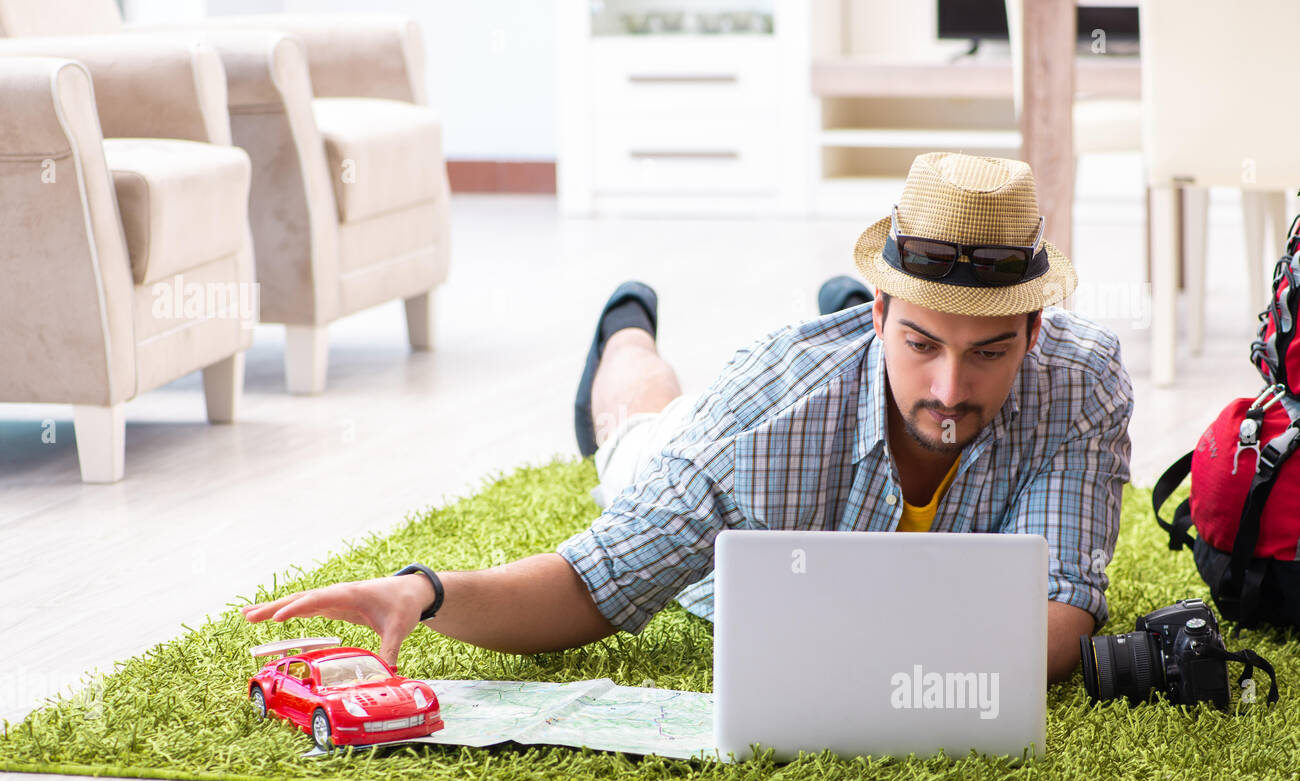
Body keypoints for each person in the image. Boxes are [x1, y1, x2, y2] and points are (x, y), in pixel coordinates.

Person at [242, 152, 1133, 686]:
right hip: (737, 441)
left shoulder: (1080, 385)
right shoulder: (763, 416)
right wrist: (425, 590)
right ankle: (623, 331)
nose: (947, 387)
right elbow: (592, 581)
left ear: (1034, 332)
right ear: (878, 316)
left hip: (838, 395)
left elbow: (1060, 616)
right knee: (642, 438)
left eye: (987, 352)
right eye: (920, 342)